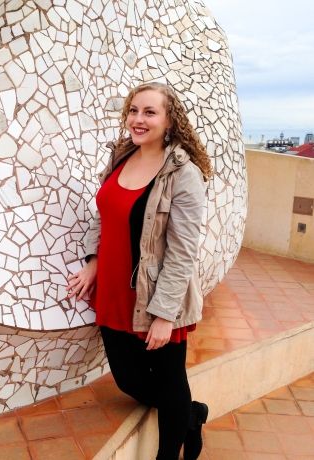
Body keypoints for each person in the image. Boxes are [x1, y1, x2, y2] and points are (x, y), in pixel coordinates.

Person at [67, 82, 213, 460]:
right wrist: (94, 261)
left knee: (169, 380)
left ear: (169, 120)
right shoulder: (121, 156)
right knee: (129, 379)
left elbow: (183, 252)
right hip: (114, 289)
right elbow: (107, 214)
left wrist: (165, 314)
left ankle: (170, 450)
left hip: (156, 298)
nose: (138, 119)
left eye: (149, 112)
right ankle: (192, 415)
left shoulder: (183, 174)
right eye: (133, 110)